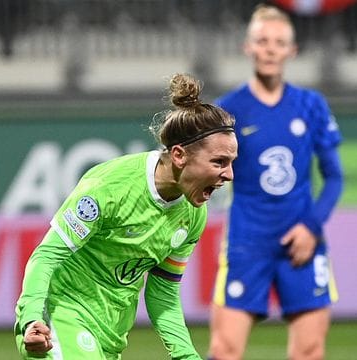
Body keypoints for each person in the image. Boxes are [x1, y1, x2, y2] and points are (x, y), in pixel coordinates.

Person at [14, 73, 237, 360]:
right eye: (219, 162)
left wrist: (186, 355)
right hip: (58, 318)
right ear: (180, 155)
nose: (229, 175)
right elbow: (45, 257)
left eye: (231, 163)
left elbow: (163, 293)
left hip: (111, 335)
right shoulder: (110, 188)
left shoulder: (193, 215)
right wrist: (32, 319)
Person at [207, 4, 344, 360]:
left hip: (302, 240)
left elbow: (334, 178)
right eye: (262, 41)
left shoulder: (311, 104)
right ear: (247, 47)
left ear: (291, 50)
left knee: (310, 351)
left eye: (278, 42)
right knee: (224, 350)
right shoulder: (228, 110)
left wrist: (311, 228)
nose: (269, 48)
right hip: (247, 241)